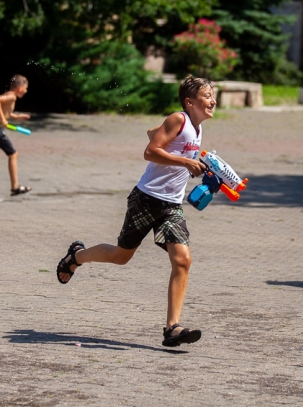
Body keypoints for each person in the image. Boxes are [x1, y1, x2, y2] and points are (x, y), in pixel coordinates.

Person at [56, 76, 215, 347]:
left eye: (214, 95)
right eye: (207, 95)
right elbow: (150, 151)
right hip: (146, 199)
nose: (213, 100)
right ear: (190, 102)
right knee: (121, 256)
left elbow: (153, 133)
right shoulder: (179, 119)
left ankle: (172, 328)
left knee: (183, 261)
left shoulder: (195, 128)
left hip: (171, 206)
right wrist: (185, 162)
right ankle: (76, 256)